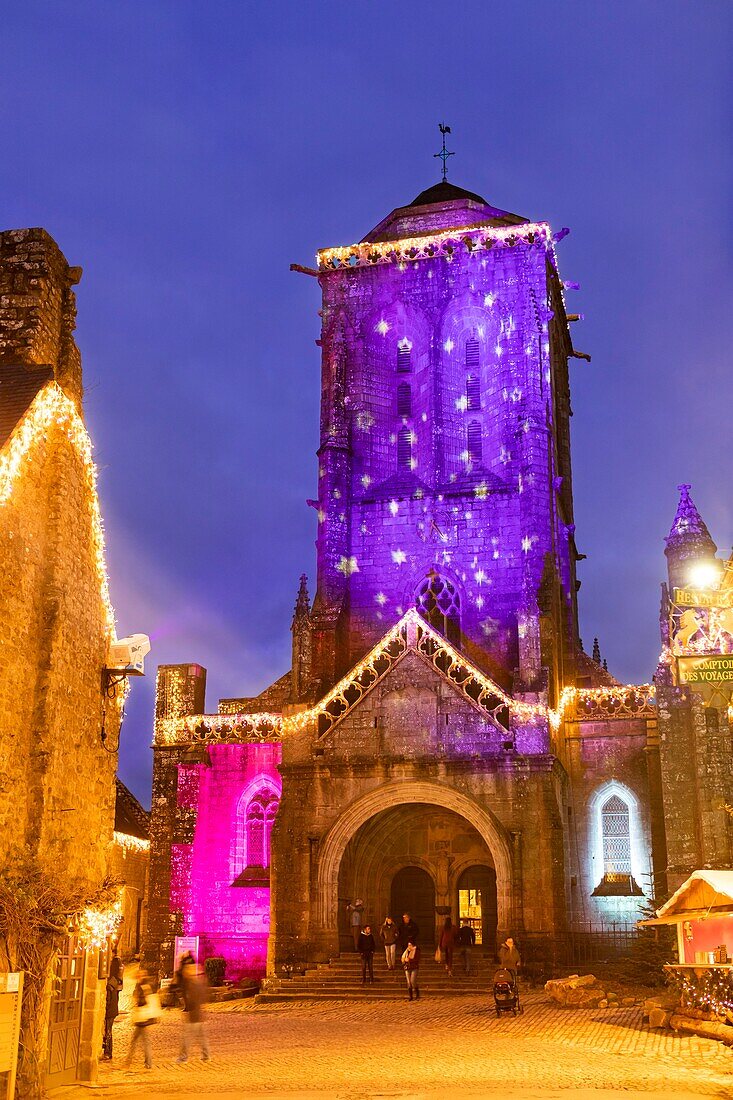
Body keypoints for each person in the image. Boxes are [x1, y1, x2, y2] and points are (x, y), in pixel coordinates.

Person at [176, 962, 211, 1063]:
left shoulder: (194, 984)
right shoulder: (195, 983)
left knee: (187, 1037)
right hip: (197, 1014)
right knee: (202, 1036)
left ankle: (183, 1057)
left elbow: (194, 1000)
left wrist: (188, 1008)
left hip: (194, 1015)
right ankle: (206, 1055)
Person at [124, 968, 157, 1070]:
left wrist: (138, 1005)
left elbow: (145, 1001)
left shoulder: (144, 986)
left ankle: (146, 1063)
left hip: (143, 1018)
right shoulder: (140, 985)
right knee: (137, 1041)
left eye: (139, 975)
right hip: (141, 1019)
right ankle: (131, 1062)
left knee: (143, 1042)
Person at [102, 946, 124, 1060]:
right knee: (107, 1030)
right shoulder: (113, 985)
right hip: (111, 1009)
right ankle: (106, 1050)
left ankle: (108, 1051)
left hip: (110, 1010)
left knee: (108, 1030)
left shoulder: (111, 987)